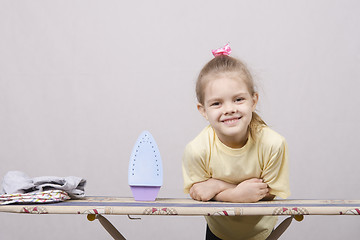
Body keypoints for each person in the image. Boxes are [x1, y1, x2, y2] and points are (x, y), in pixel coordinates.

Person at [182, 44, 290, 240]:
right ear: (203, 110)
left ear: (253, 100)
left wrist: (217, 186)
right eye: (217, 103)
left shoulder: (273, 144)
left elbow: (268, 194)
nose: (229, 109)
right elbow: (199, 193)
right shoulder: (197, 150)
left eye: (238, 99)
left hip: (261, 232)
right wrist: (235, 194)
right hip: (219, 232)